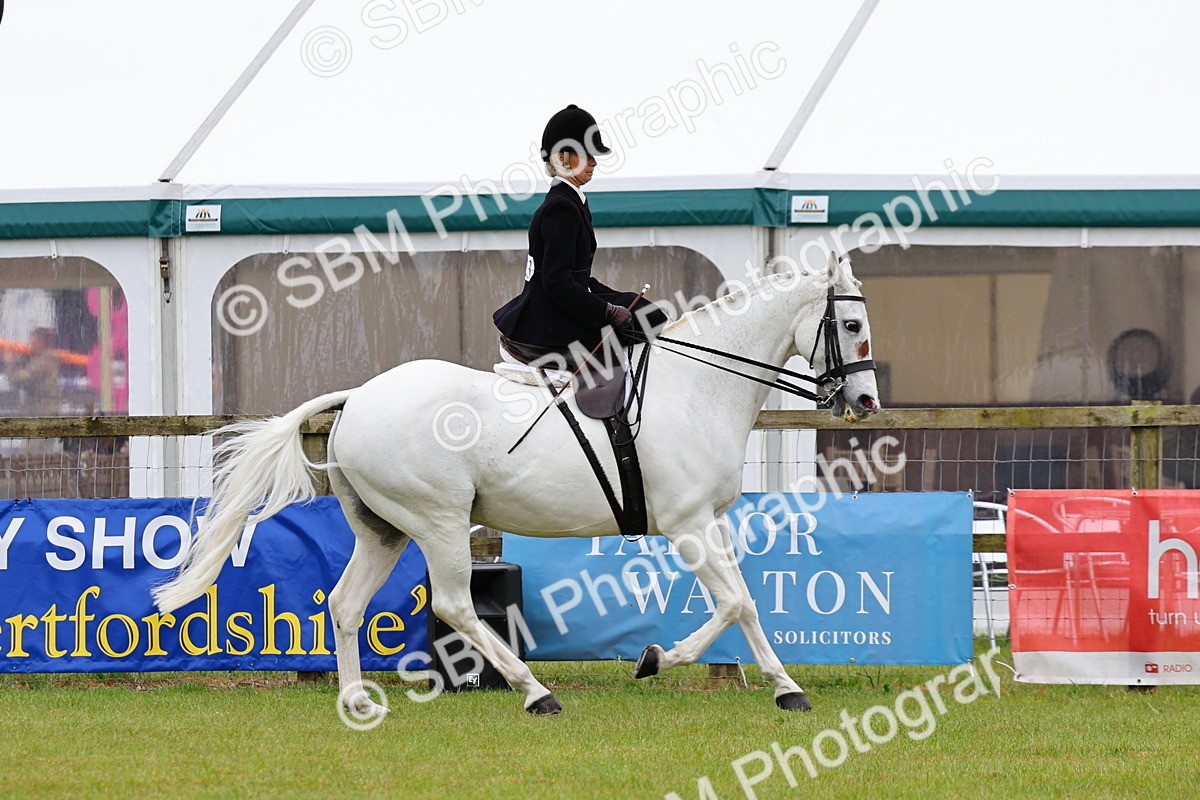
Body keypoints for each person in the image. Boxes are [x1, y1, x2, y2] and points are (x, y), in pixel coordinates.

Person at [493, 104, 666, 373]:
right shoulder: (561, 208)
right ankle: (615, 413)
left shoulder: (573, 201)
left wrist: (615, 298)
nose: (595, 162)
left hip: (556, 304)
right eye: (587, 155)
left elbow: (576, 277)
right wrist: (606, 311)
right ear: (562, 158)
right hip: (549, 319)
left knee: (646, 311)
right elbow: (556, 281)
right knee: (643, 323)